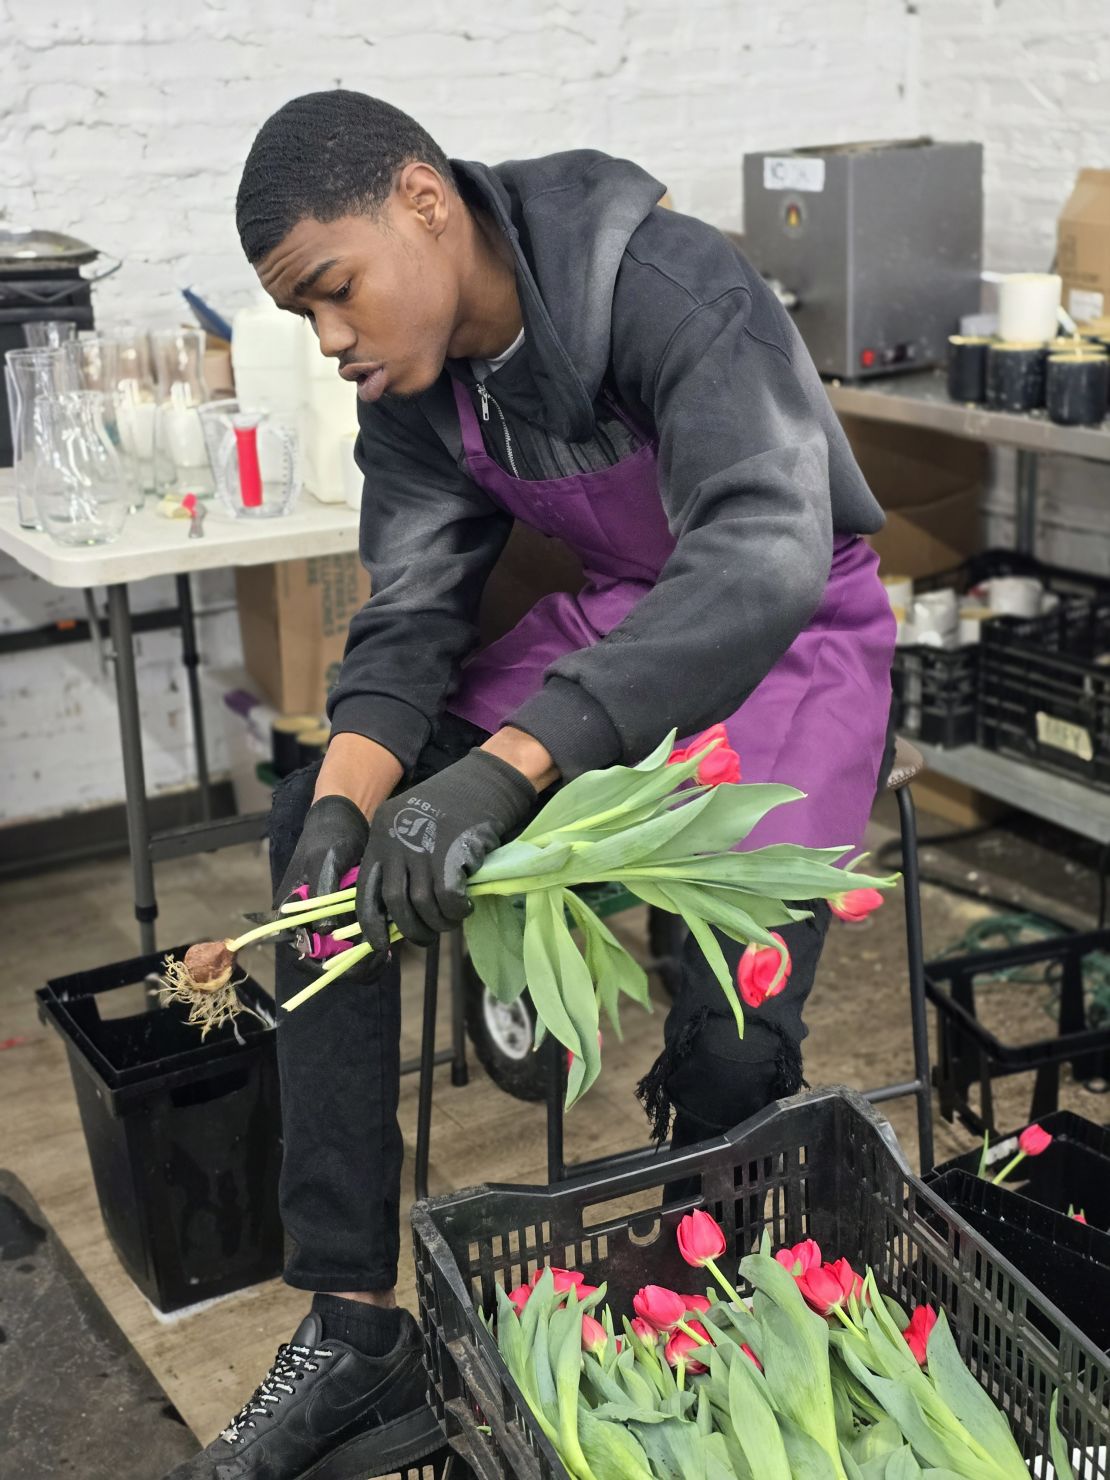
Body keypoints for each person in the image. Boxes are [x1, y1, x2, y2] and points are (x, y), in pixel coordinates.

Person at [169, 90, 893, 1480]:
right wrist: (347, 799)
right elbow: (414, 608)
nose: (330, 343)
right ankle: (352, 1323)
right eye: (304, 318)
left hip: (781, 637)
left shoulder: (669, 284)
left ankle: (714, 1271)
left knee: (735, 1003)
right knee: (318, 844)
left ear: (424, 204)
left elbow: (758, 547)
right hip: (616, 623)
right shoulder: (414, 381)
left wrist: (506, 769)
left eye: (335, 292)